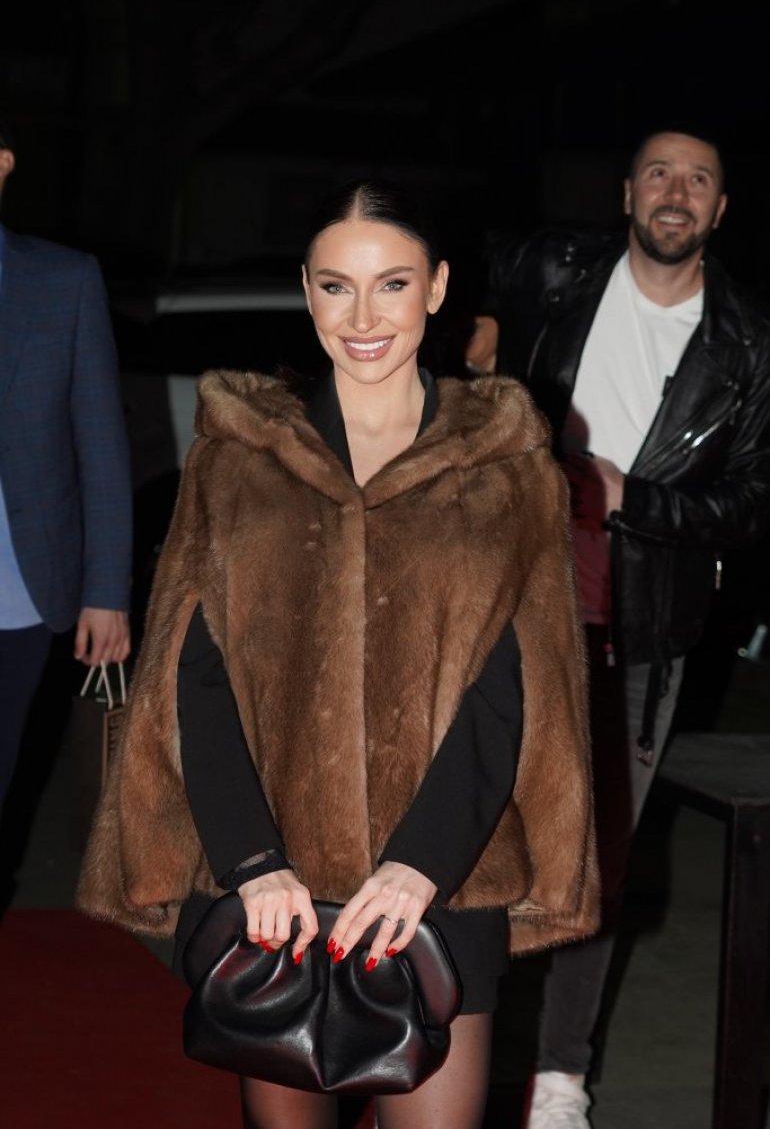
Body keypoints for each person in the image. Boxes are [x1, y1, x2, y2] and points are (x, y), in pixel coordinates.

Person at [77, 177, 599, 1129]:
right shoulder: (240, 453)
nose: (363, 318)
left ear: (437, 288)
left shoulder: (506, 459)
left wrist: (420, 865)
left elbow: (518, 682)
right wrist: (250, 859)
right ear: (306, 291)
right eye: (335, 286)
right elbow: (194, 673)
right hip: (274, 883)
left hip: (444, 880)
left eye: (391, 284)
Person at [468, 129, 770, 1128]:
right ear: (627, 192)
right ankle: (442, 1038)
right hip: (497, 594)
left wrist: (630, 495)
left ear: (719, 209)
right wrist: (474, 336)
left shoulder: (748, 342)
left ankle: (559, 1076)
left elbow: (749, 502)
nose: (675, 193)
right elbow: (452, 281)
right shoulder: (553, 268)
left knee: (591, 855)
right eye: (658, 174)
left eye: (698, 179)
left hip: (637, 625)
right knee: (461, 825)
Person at [0, 119, 132, 847]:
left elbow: (101, 448)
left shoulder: (63, 281)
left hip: (17, 596)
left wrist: (105, 592)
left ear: (3, 164)